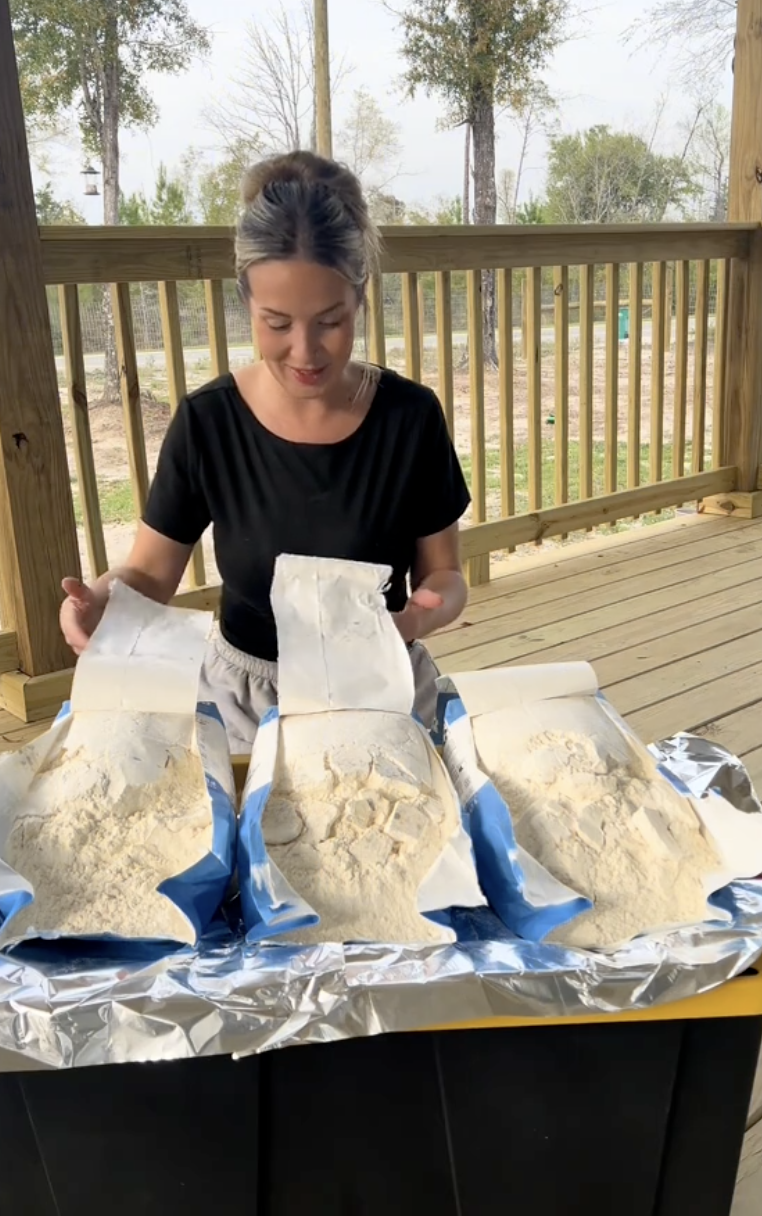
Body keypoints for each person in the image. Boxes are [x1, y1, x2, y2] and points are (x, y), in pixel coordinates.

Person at [59, 151, 471, 753]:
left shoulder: (410, 419)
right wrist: (105, 602)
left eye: (329, 321)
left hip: (379, 685)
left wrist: (415, 619)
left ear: (359, 296)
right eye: (277, 323)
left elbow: (445, 575)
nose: (305, 352)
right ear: (246, 302)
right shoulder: (209, 421)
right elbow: (150, 574)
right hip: (244, 698)